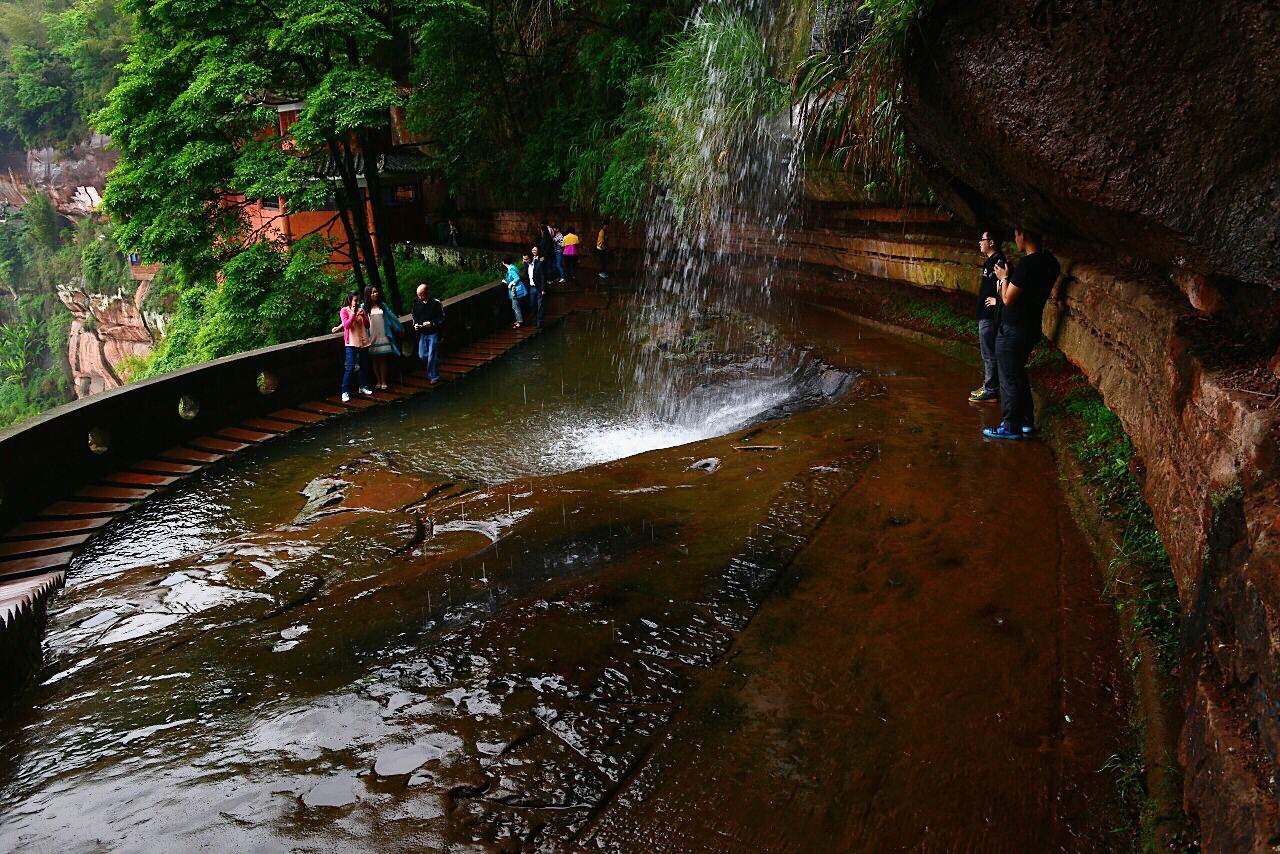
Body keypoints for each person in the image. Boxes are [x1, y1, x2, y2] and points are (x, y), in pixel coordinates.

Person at [983, 227, 1061, 440]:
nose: (1015, 239)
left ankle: (1010, 425)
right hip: (1031, 326)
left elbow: (1007, 299)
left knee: (1008, 376)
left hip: (1013, 327)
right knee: (1017, 372)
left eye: (1016, 234)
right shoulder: (1050, 262)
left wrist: (1003, 278)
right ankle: (1025, 420)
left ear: (1024, 236)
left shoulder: (1028, 264)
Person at [970, 230, 1007, 403]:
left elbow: (1005, 283)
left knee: (989, 353)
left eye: (982, 239)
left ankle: (991, 389)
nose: (980, 242)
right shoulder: (990, 261)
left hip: (990, 316)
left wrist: (998, 300)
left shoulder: (999, 262)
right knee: (987, 352)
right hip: (985, 314)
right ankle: (989, 385)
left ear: (991, 242)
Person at [332, 291, 374, 402]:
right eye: (355, 300)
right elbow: (346, 325)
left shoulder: (362, 310)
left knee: (364, 365)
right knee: (350, 367)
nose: (357, 302)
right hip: (351, 342)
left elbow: (367, 325)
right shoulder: (344, 311)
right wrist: (354, 314)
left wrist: (364, 316)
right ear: (350, 300)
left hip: (363, 341)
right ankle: (345, 391)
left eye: (358, 300)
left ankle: (363, 386)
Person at [362, 284, 402, 391]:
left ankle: (384, 380)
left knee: (383, 359)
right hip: (371, 337)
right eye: (372, 292)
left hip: (383, 335)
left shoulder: (382, 305)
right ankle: (378, 380)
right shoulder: (363, 307)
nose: (375, 294)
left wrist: (400, 327)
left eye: (376, 291)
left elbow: (392, 317)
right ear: (368, 294)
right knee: (375, 360)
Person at [412, 282, 444, 382]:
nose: (420, 297)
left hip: (433, 333)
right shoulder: (416, 303)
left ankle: (433, 377)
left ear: (427, 293)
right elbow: (414, 316)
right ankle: (436, 361)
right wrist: (416, 324)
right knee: (422, 356)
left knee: (431, 356)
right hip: (422, 333)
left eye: (421, 295)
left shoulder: (436, 303)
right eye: (418, 295)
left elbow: (442, 317)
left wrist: (432, 323)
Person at [502, 257, 526, 328]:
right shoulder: (513, 266)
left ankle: (520, 322)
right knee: (515, 306)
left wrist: (510, 283)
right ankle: (518, 320)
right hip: (515, 289)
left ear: (503, 262)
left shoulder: (511, 269)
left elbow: (517, 278)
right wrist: (506, 281)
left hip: (514, 290)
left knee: (515, 306)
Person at [528, 245, 548, 328]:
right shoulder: (529, 263)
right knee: (533, 305)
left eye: (535, 250)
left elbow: (543, 276)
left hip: (538, 287)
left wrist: (543, 288)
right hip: (531, 287)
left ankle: (540, 323)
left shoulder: (540, 262)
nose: (534, 251)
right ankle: (535, 321)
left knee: (540, 305)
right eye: (533, 249)